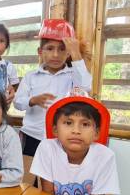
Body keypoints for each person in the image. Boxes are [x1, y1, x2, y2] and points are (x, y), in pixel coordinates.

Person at [13, 19, 92, 158]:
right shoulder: (30, 76)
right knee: (29, 176)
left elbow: (85, 87)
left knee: (58, 175)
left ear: (68, 53)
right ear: (40, 51)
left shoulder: (74, 75)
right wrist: (33, 100)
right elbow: (18, 103)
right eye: (49, 48)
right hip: (32, 135)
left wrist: (76, 54)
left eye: (62, 49)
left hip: (61, 137)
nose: (55, 55)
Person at [30, 97, 120, 195]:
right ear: (55, 130)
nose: (76, 131)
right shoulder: (46, 148)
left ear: (97, 133)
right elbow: (47, 194)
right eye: (68, 123)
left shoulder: (105, 156)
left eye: (85, 124)